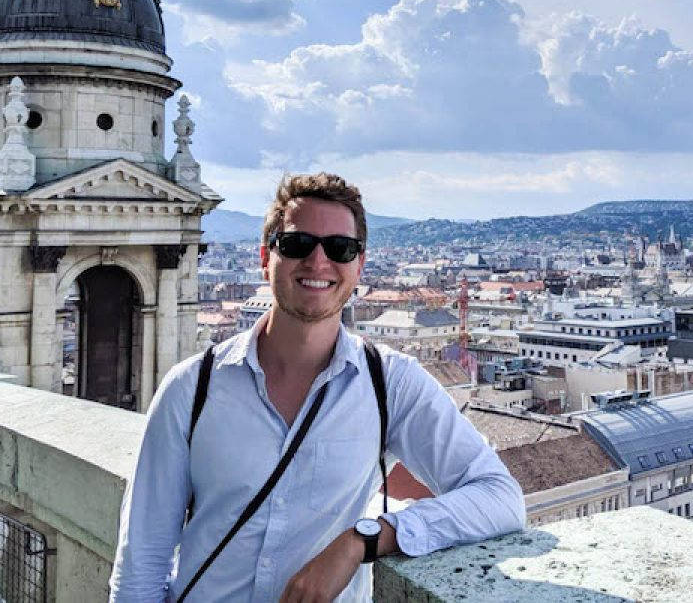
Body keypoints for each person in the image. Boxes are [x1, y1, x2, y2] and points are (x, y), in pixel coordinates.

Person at [109, 172, 525, 601]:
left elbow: (500, 497)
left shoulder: (390, 384)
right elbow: (142, 557)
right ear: (265, 258)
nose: (318, 262)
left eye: (339, 249)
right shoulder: (190, 388)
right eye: (297, 244)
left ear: (359, 265)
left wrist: (362, 541)